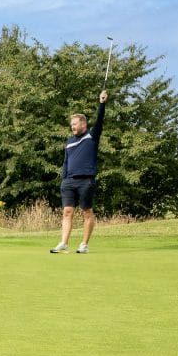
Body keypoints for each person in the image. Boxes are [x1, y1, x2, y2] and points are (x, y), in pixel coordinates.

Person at [50, 89, 109, 254]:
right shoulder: (69, 141)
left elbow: (100, 121)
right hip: (69, 181)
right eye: (71, 125)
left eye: (75, 124)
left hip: (86, 180)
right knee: (67, 211)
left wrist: (102, 103)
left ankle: (84, 244)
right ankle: (64, 243)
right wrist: (63, 179)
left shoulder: (92, 136)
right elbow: (66, 161)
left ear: (83, 124)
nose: (72, 127)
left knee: (86, 212)